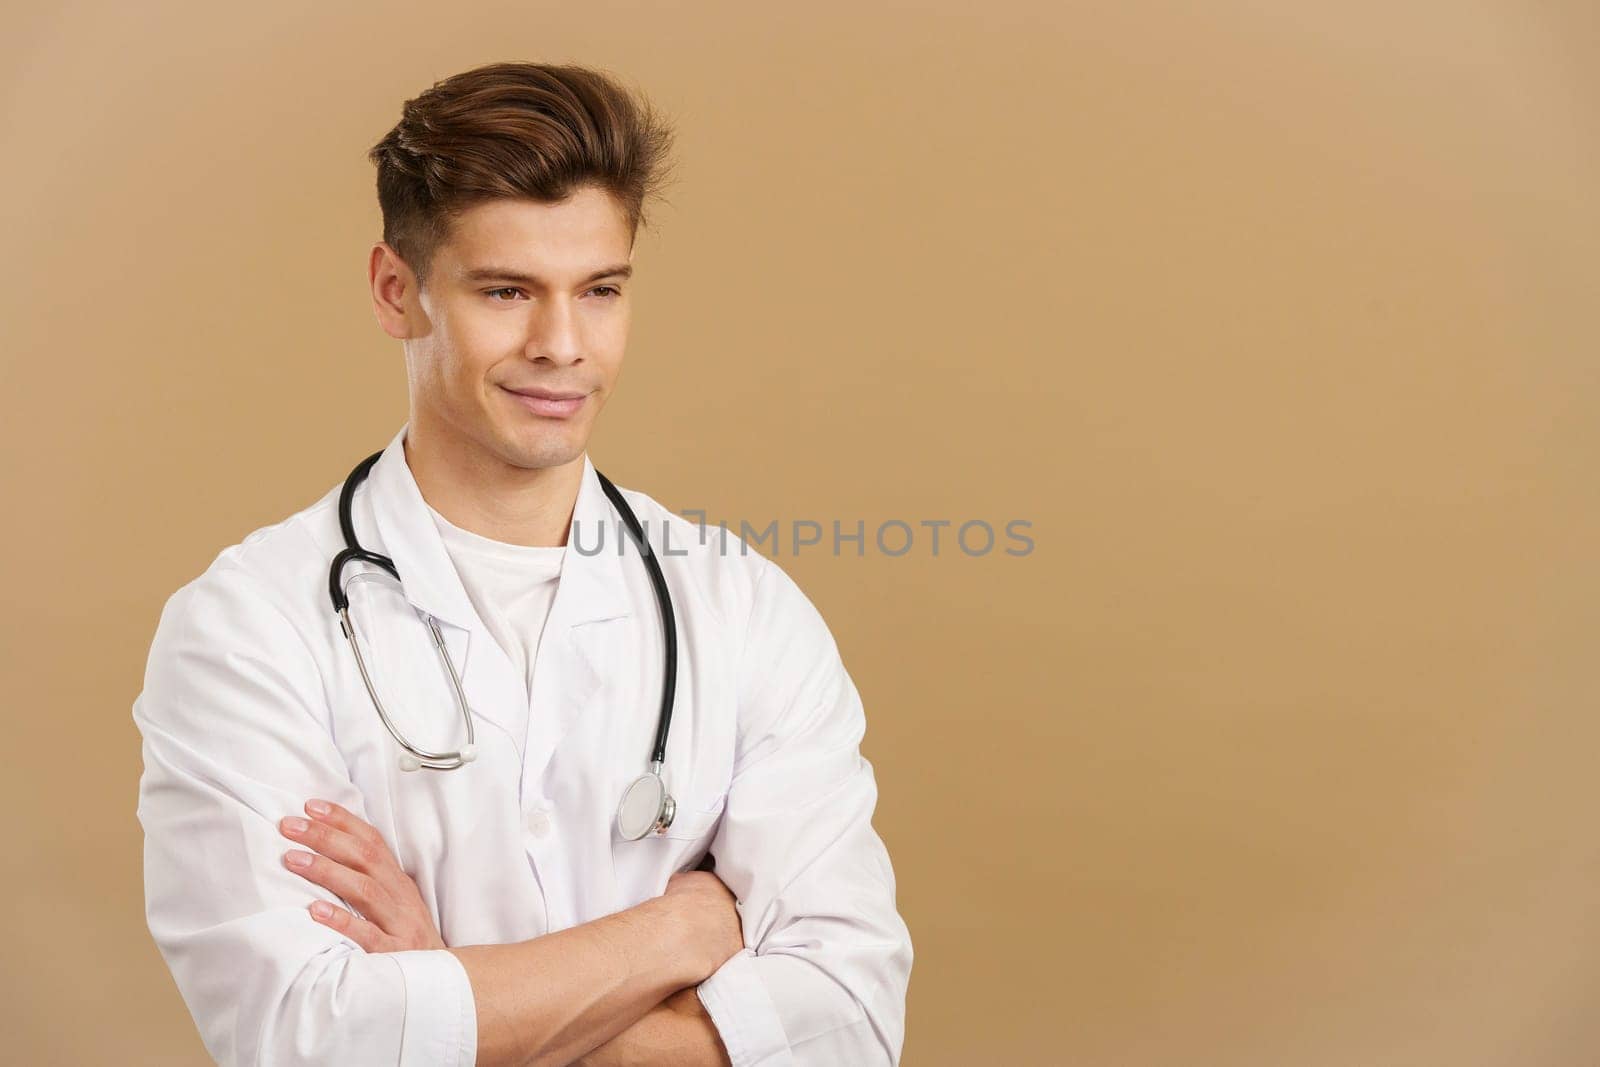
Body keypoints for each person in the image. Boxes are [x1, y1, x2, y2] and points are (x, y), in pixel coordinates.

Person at [132, 61, 912, 1066]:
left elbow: (848, 1025)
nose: (561, 345)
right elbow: (304, 1035)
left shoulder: (742, 609)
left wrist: (445, 989)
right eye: (506, 291)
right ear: (395, 291)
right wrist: (675, 934)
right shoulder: (248, 629)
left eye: (600, 291)